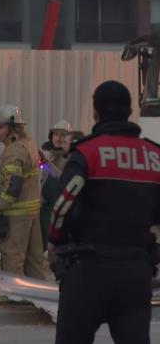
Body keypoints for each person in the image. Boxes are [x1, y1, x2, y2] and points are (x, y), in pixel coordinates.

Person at [49, 81, 160, 344]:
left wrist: (55, 243)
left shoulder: (87, 153)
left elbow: (62, 206)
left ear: (96, 113)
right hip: (135, 274)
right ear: (130, 111)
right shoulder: (154, 155)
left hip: (87, 272)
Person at [0, 104, 49, 279]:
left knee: (12, 261)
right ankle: (37, 301)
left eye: (1, 127)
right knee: (34, 262)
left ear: (12, 128)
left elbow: (13, 186)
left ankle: (13, 301)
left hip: (17, 217)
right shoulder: (29, 143)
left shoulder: (12, 152)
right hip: (33, 214)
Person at [40, 130, 85, 248]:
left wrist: (49, 165)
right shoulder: (50, 152)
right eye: (56, 135)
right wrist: (45, 164)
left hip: (65, 206)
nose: (61, 142)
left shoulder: (73, 161)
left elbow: (63, 180)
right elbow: (43, 172)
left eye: (65, 141)